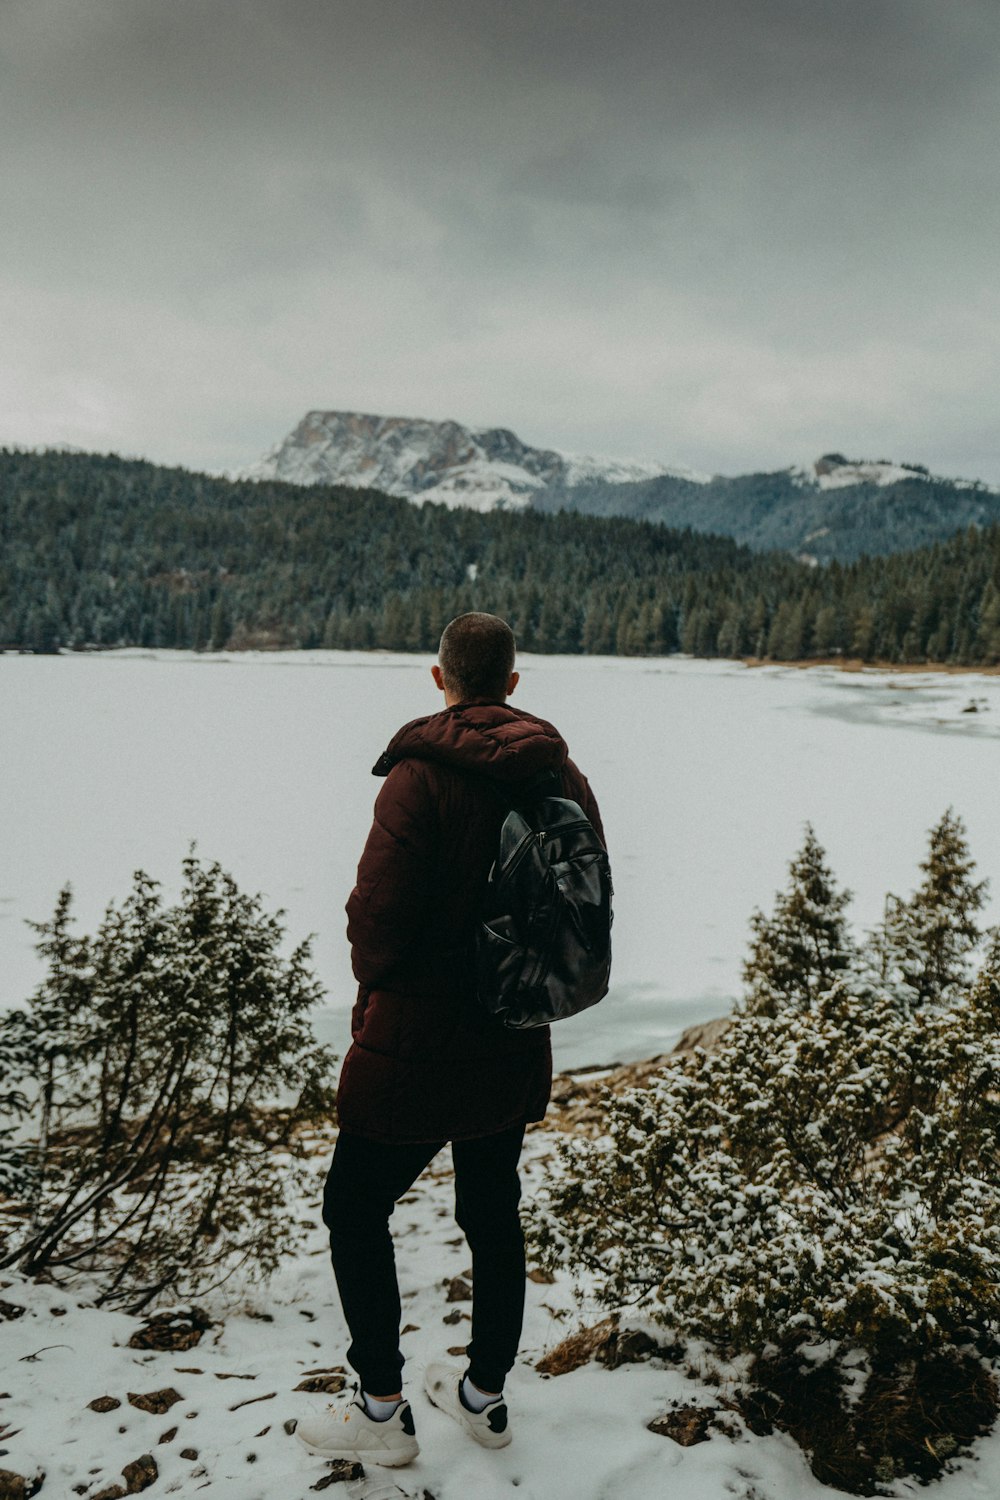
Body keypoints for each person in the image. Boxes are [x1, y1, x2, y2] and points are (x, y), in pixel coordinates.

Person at [297, 612, 605, 1468]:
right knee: (491, 1210)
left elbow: (375, 925)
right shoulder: (560, 774)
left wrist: (390, 988)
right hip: (512, 1030)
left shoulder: (418, 777)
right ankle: (484, 1398)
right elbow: (582, 905)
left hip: (417, 1038)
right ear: (512, 682)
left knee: (355, 1206)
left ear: (439, 679)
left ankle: (382, 1410)